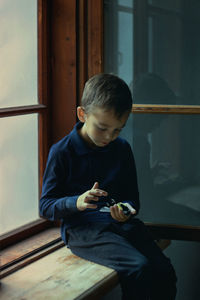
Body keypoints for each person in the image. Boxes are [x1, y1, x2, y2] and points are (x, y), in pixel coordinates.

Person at [40, 73, 177, 300]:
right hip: (83, 231)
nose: (109, 137)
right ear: (82, 114)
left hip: (120, 226)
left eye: (117, 130)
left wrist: (125, 210)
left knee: (164, 271)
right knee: (138, 268)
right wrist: (76, 202)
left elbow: (133, 199)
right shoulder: (62, 152)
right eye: (102, 128)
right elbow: (46, 206)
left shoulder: (122, 149)